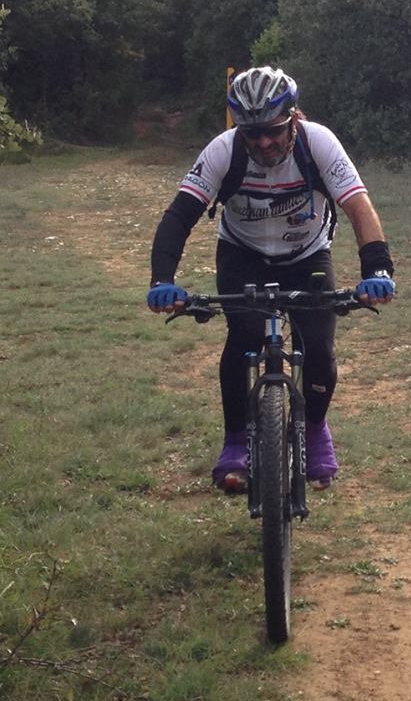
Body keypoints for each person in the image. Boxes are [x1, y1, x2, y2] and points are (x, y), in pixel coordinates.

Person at [145, 67, 396, 492]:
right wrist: (161, 280)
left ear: (293, 119)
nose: (263, 142)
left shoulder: (319, 143)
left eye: (273, 131)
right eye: (252, 133)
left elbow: (358, 206)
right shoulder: (224, 151)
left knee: (318, 346)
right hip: (243, 255)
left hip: (307, 255)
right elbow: (179, 215)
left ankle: (315, 431)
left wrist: (377, 269)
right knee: (243, 336)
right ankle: (235, 441)